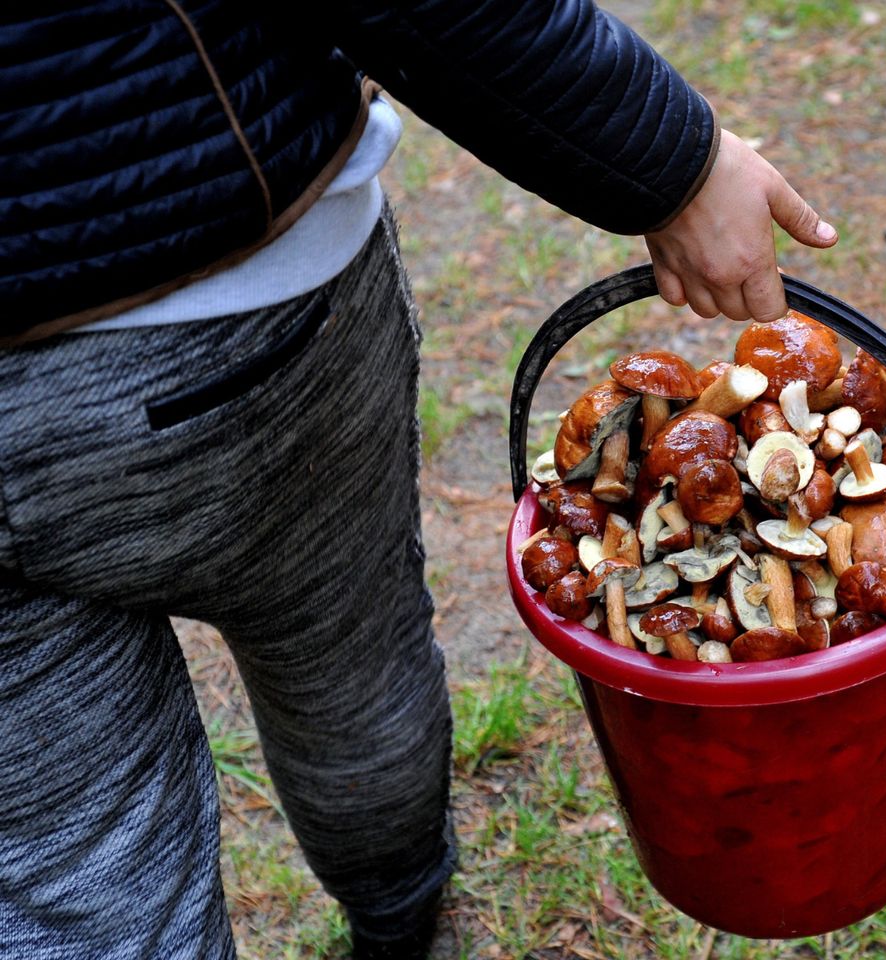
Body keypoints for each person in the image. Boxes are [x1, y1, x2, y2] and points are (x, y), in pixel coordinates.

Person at [0, 2, 837, 958]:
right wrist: (678, 164)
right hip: (229, 322)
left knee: (69, 852)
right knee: (345, 663)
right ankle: (402, 922)